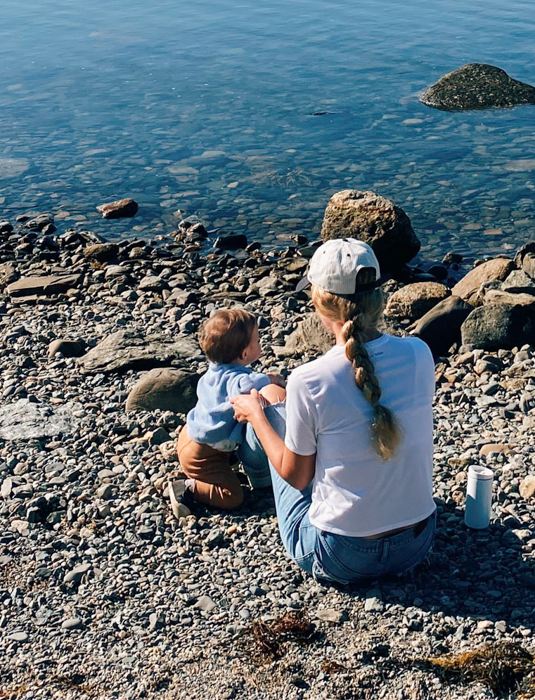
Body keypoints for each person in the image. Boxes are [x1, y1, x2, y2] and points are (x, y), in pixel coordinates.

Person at [231, 238, 435, 585]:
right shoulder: (418, 353)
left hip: (343, 555)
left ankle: (250, 476)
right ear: (378, 299)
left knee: (266, 409)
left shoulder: (310, 379)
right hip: (416, 543)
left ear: (320, 305)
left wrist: (256, 415)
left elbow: (297, 478)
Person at [174, 307, 286, 510]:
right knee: (233, 496)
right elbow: (246, 385)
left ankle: (226, 461)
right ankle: (187, 488)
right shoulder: (238, 380)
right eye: (258, 341)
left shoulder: (215, 370)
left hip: (190, 435)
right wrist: (271, 379)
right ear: (244, 353)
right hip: (203, 457)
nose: (261, 342)